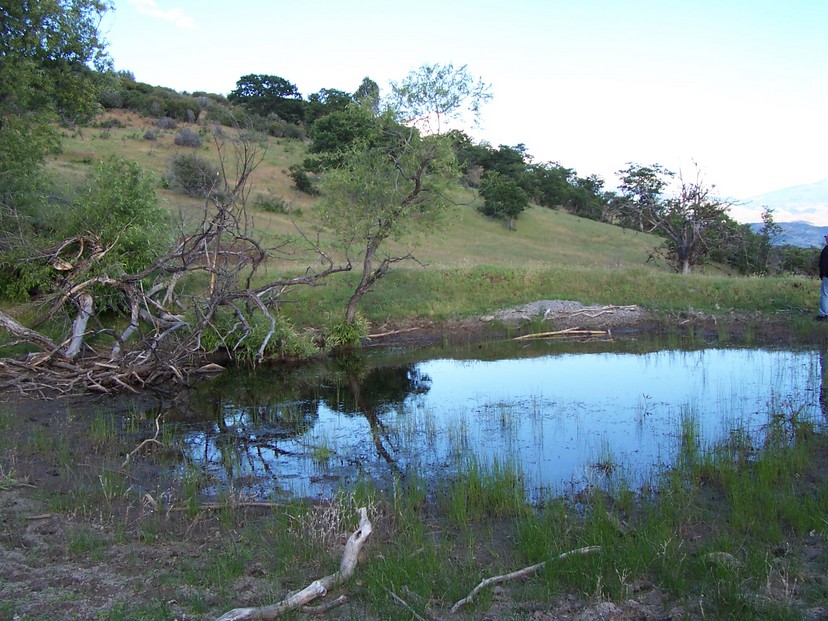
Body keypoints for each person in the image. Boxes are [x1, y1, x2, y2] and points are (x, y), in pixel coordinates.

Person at [819, 234, 828, 321]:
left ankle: (823, 314)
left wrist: (822, 274)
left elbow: (823, 264)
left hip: (827, 276)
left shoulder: (826, 250)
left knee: (825, 295)